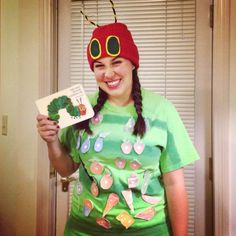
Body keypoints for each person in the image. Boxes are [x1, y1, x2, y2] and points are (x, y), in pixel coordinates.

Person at [37, 16, 199, 236]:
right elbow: (66, 169)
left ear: (133, 63)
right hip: (83, 229)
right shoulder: (80, 108)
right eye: (99, 66)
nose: (108, 73)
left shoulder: (163, 111)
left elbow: (174, 185)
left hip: (147, 230)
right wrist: (52, 141)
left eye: (116, 62)